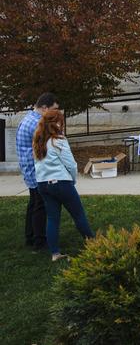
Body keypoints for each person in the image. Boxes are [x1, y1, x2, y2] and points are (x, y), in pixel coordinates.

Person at [32, 109, 94, 261]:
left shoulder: (38, 141)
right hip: (61, 183)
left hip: (42, 185)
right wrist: (72, 180)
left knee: (53, 218)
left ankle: (55, 253)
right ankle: (95, 245)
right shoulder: (58, 140)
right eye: (61, 121)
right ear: (57, 123)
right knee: (78, 214)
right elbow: (71, 164)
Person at [15, 92, 59, 250]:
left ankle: (30, 237)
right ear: (44, 108)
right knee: (40, 205)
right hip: (35, 170)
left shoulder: (27, 118)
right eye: (54, 109)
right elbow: (48, 148)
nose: (56, 113)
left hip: (28, 169)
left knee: (34, 203)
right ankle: (39, 241)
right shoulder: (36, 124)